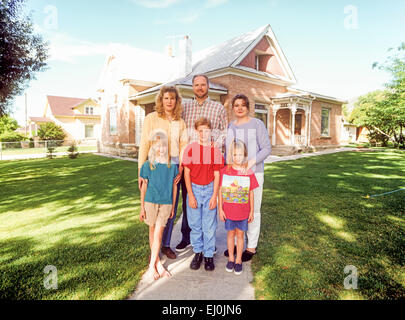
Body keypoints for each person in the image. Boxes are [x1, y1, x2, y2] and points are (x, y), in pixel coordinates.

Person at [176, 74, 228, 253]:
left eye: (203, 84)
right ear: (192, 87)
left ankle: (208, 245)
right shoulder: (185, 107)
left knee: (209, 203)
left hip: (210, 162)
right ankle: (186, 237)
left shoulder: (218, 107)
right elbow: (180, 129)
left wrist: (216, 145)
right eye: (196, 85)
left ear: (208, 86)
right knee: (189, 200)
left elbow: (224, 131)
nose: (200, 87)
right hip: (190, 161)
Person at [138, 86, 188, 260]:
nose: (169, 101)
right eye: (166, 98)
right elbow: (145, 143)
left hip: (172, 164)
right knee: (154, 202)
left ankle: (165, 245)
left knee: (168, 205)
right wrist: (140, 170)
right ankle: (154, 252)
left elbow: (183, 145)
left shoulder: (180, 122)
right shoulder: (151, 118)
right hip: (154, 163)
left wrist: (181, 166)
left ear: (176, 101)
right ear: (161, 100)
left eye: (172, 98)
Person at [224, 94, 271, 262]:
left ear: (248, 107)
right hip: (236, 175)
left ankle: (251, 247)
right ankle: (236, 245)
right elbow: (228, 151)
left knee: (253, 210)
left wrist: (250, 163)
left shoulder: (257, 124)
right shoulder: (231, 126)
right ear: (233, 108)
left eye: (243, 105)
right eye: (236, 105)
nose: (239, 108)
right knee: (236, 209)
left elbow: (266, 148)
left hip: (253, 172)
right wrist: (228, 170)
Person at [182, 118, 224, 271]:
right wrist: (191, 195)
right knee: (195, 225)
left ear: (210, 131)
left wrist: (215, 196)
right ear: (196, 131)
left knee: (209, 225)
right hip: (194, 189)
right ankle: (198, 252)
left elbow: (217, 175)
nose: (203, 133)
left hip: (209, 190)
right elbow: (186, 174)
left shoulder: (215, 150)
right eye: (200, 130)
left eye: (206, 130)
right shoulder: (190, 149)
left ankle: (208, 255)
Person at [139, 132, 179, 280]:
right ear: (153, 147)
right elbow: (144, 187)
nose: (161, 148)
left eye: (163, 145)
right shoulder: (148, 165)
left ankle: (153, 265)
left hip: (166, 203)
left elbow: (175, 188)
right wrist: (142, 207)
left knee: (158, 234)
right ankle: (155, 265)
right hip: (150, 202)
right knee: (152, 231)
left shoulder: (172, 166)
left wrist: (174, 207)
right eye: (158, 145)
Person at [219, 140, 259, 275]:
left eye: (240, 155)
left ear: (245, 155)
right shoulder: (225, 171)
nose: (237, 157)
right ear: (231, 155)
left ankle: (239, 260)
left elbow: (251, 192)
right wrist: (220, 209)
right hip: (229, 211)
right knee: (230, 234)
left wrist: (252, 211)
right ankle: (231, 258)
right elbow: (220, 190)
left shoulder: (248, 172)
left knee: (240, 235)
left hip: (243, 212)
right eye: (235, 155)